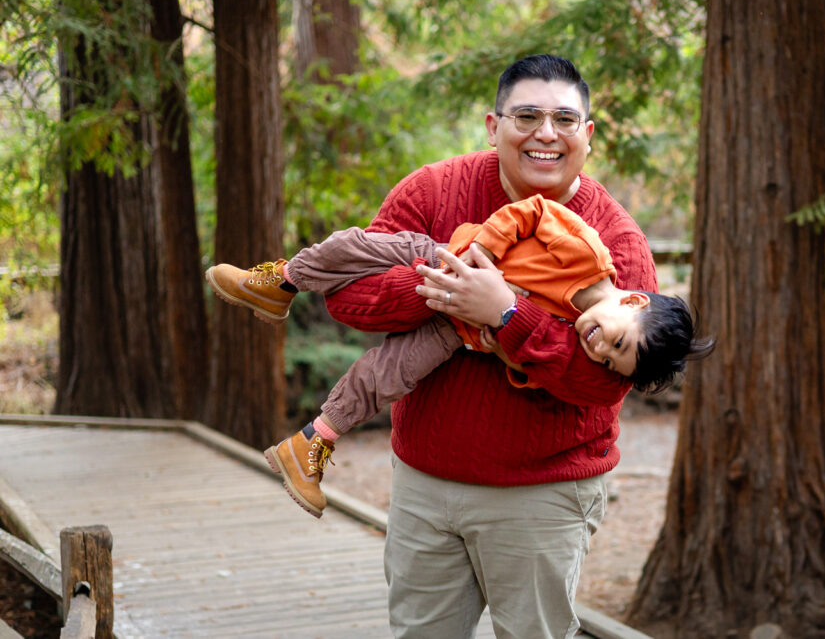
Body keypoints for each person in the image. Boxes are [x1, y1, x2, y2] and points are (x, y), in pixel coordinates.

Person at [221, 54, 698, 638]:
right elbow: (350, 302)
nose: (546, 134)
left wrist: (505, 314)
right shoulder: (435, 188)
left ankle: (313, 428)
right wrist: (457, 290)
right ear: (494, 126)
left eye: (564, 120)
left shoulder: (617, 243)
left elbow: (600, 382)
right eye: (527, 115)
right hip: (426, 484)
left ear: (587, 135)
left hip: (541, 497)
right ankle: (280, 284)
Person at [206, 193, 711, 520]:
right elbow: (533, 210)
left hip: (456, 331)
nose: (598, 349)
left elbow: (533, 370)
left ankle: (311, 444)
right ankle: (280, 281)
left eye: (609, 360)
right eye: (617, 342)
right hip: (443, 253)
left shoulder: (568, 336)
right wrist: (485, 254)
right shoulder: (587, 253)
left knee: (387, 374)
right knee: (356, 246)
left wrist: (505, 348)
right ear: (633, 299)